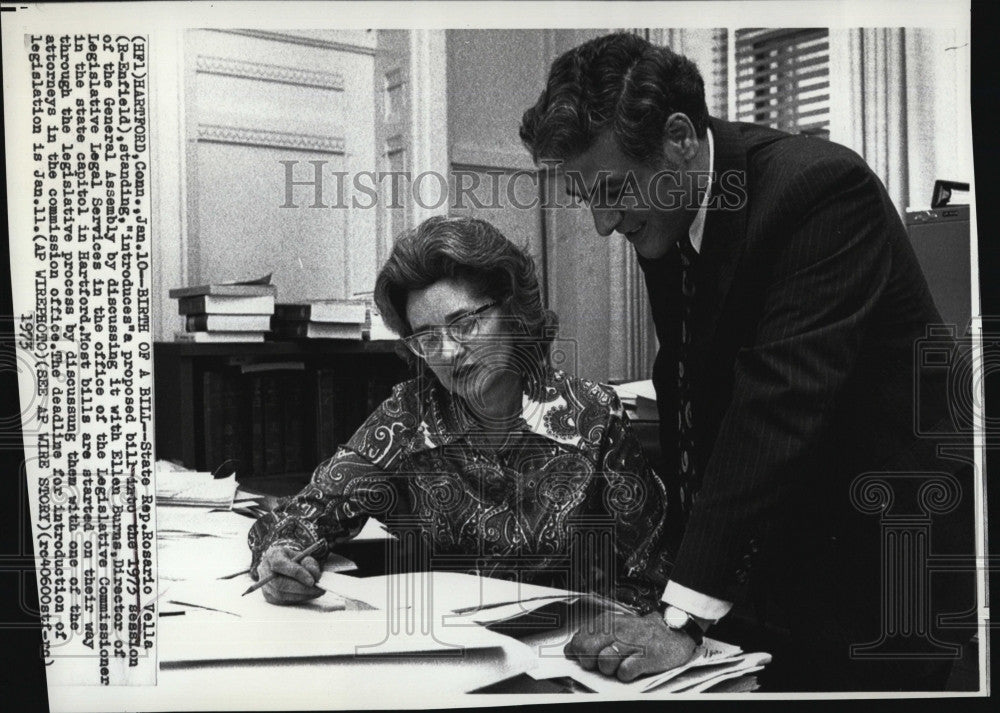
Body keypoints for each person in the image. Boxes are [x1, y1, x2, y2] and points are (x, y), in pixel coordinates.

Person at [519, 32, 975, 691]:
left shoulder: (819, 190)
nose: (601, 222)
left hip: (890, 563)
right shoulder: (670, 214)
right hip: (783, 569)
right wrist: (674, 588)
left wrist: (680, 614)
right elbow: (691, 398)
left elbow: (772, 409)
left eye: (612, 189)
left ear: (679, 137)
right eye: (588, 196)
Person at [248, 215, 684, 679]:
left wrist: (620, 631)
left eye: (465, 323)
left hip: (574, 663)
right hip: (442, 658)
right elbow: (309, 511)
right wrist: (282, 554)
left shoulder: (591, 418)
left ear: (514, 312)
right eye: (427, 338)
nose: (449, 352)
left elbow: (654, 566)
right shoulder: (409, 418)